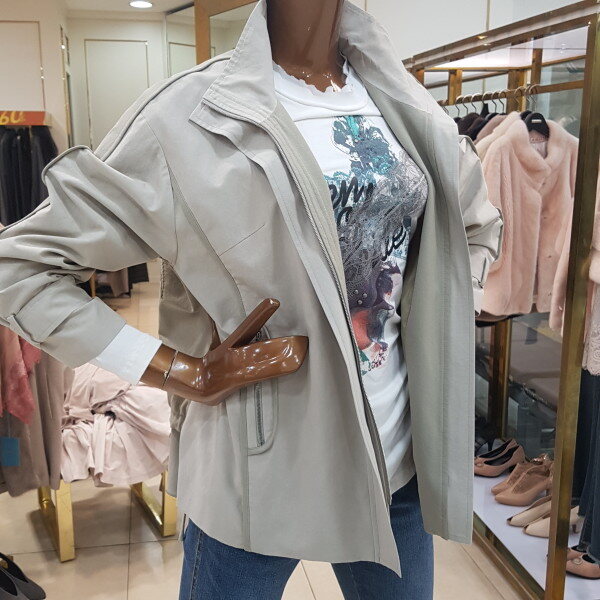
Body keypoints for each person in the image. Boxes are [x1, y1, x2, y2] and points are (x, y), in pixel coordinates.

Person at [0, 0, 502, 598]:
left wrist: (434, 321)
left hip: (395, 460)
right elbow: (19, 268)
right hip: (259, 472)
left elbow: (476, 226)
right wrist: (179, 371)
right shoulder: (187, 117)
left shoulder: (402, 101)